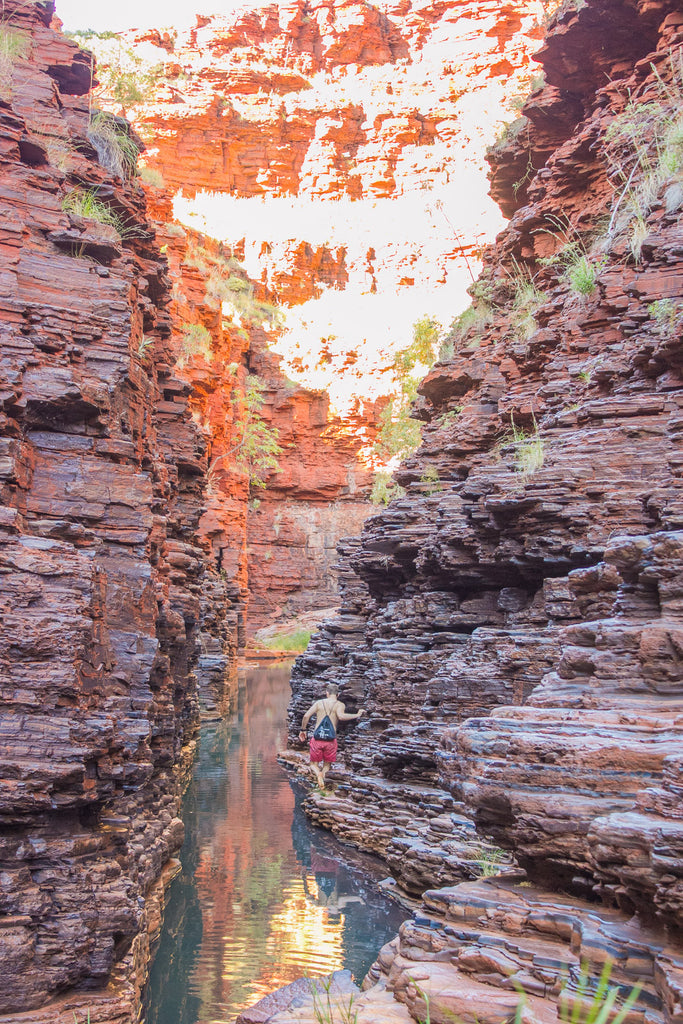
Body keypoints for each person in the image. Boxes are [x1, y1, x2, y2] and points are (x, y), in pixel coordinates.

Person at [298, 683, 364, 789]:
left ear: (327, 693)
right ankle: (322, 778)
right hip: (331, 740)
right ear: (337, 695)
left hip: (317, 739)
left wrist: (303, 730)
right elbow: (341, 717)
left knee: (313, 764)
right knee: (327, 765)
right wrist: (357, 715)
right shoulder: (340, 704)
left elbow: (306, 716)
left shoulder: (319, 703)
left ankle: (317, 774)